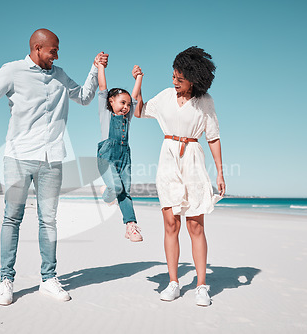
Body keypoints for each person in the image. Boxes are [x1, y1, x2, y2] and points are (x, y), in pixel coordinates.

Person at [0, 28, 108, 305]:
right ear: (38, 48)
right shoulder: (12, 71)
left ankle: (48, 279)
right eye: (53, 50)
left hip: (52, 159)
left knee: (48, 220)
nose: (57, 55)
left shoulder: (60, 75)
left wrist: (94, 68)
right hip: (18, 157)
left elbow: (84, 97)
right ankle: (6, 280)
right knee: (12, 217)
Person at [134, 46, 225, 306]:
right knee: (170, 224)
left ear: (194, 78)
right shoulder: (164, 96)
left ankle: (201, 285)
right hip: (168, 159)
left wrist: (219, 171)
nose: (174, 82)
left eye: (180, 79)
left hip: (194, 159)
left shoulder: (205, 101)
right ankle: (173, 282)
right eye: (173, 76)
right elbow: (139, 111)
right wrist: (138, 82)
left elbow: (213, 137)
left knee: (195, 225)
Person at [95, 57, 144, 242]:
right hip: (106, 156)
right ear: (111, 102)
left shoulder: (127, 118)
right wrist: (101, 67)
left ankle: (130, 226)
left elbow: (135, 96)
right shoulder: (105, 113)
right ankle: (107, 195)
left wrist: (138, 77)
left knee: (125, 191)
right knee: (115, 187)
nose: (125, 106)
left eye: (127, 104)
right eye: (121, 102)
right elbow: (102, 87)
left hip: (125, 157)